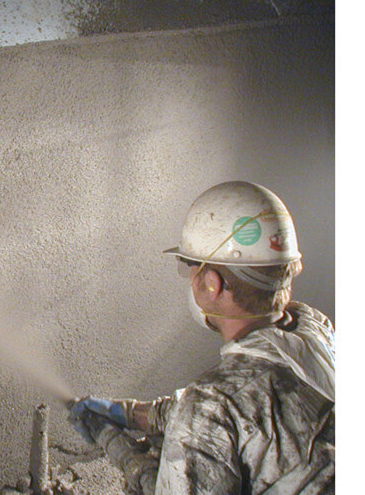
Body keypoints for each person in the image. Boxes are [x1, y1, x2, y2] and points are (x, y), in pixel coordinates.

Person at [68, 181, 335, 495]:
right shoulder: (315, 331)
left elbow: (214, 414)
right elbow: (235, 408)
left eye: (190, 268)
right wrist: (129, 413)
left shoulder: (213, 404)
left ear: (210, 284)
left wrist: (124, 454)